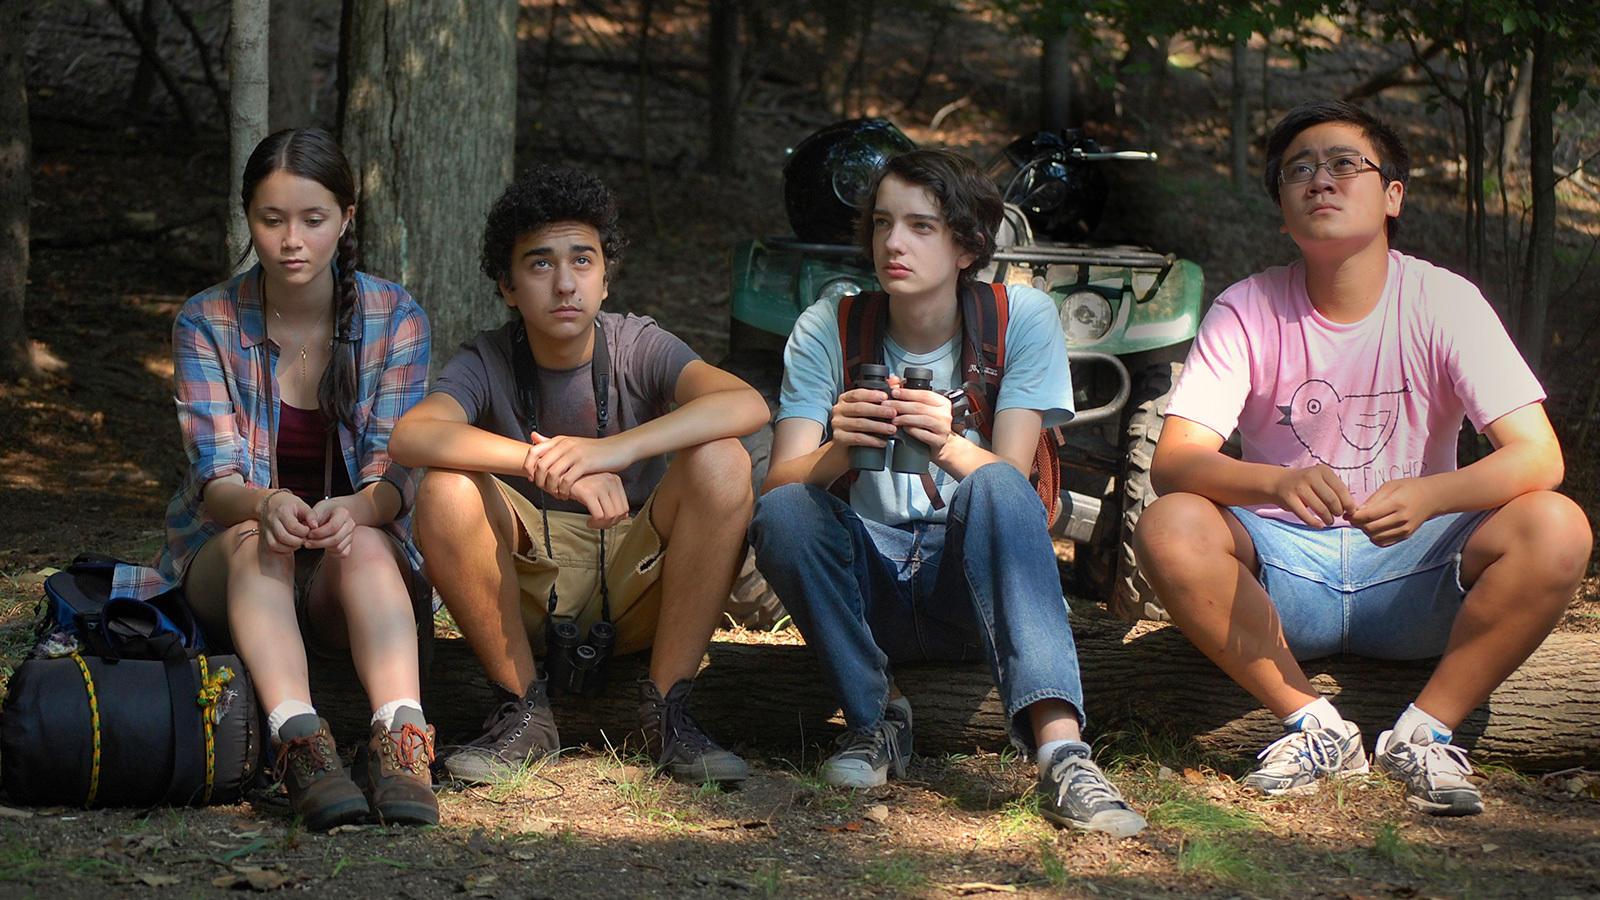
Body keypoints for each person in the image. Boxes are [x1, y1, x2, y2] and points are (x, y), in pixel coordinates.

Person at [1133, 100, 1592, 816]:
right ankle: (1313, 726)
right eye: (1300, 171)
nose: (1322, 180)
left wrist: (1433, 496)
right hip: (1285, 575)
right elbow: (1176, 460)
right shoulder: (1247, 308)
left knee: (1558, 525)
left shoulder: (1444, 301)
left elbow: (1538, 457)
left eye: (1346, 164)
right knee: (1170, 523)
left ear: (1392, 196)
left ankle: (1424, 732)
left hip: (1419, 573)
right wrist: (1275, 481)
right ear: (1283, 210)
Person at [748, 148, 1147, 837]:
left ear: (966, 245)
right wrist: (840, 448)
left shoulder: (1017, 317)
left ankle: (1063, 754)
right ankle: (877, 719)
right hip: (866, 584)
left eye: (920, 227)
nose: (893, 243)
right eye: (881, 224)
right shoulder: (831, 324)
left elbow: (1014, 483)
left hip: (973, 589)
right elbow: (779, 486)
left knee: (991, 486)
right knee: (785, 509)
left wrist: (948, 440)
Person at [390, 163, 767, 787]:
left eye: (583, 261)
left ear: (606, 277)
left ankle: (668, 710)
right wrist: (549, 464)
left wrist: (613, 450)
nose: (565, 283)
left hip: (639, 577)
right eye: (539, 264)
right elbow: (413, 434)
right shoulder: (488, 357)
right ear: (508, 286)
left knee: (723, 459)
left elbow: (745, 403)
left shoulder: (636, 345)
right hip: (532, 586)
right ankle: (524, 711)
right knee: (445, 486)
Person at [114, 128, 436, 828]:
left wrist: (355, 507)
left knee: (368, 543)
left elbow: (397, 477)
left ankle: (402, 736)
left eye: (313, 220)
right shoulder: (208, 320)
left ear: (346, 219)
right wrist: (267, 503)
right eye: (272, 219)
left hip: (344, 567)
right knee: (257, 539)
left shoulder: (394, 318)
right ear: (249, 220)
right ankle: (300, 740)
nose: (293, 239)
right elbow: (214, 479)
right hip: (231, 558)